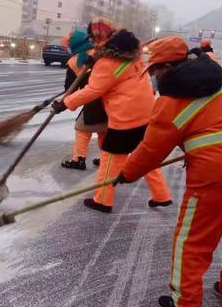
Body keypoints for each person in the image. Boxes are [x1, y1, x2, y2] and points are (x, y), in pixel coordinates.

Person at [116, 36, 222, 307]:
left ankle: (185, 304)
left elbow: (151, 151)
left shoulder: (170, 102)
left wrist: (126, 174)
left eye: (153, 71)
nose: (151, 78)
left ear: (166, 67)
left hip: (216, 176)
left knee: (193, 241)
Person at [53, 29, 172, 213]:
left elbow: (93, 90)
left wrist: (65, 104)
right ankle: (162, 195)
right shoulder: (135, 59)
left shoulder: (107, 63)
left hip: (126, 119)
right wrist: (95, 61)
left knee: (109, 160)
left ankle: (102, 200)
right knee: (145, 158)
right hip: (146, 113)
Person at [60, 18, 116, 170]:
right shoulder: (101, 53)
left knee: (82, 128)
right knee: (104, 130)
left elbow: (70, 89)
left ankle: (79, 159)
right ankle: (106, 158)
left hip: (94, 99)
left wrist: (63, 102)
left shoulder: (74, 61)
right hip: (114, 100)